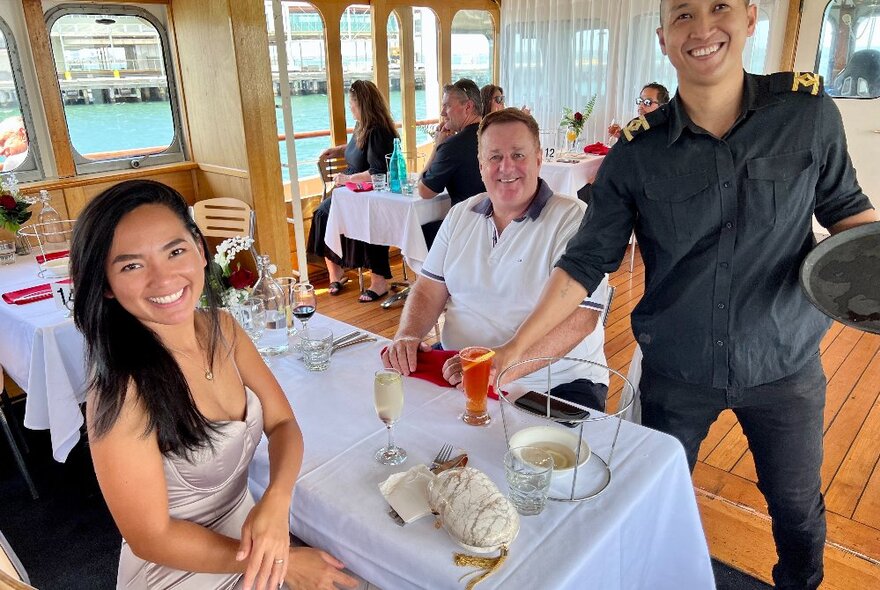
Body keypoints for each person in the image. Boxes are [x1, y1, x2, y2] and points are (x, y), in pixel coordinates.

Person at [493, 1, 877, 589]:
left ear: (750, 19)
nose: (702, 28)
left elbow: (848, 212)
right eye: (683, 16)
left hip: (783, 363)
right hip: (676, 368)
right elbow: (583, 264)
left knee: (798, 513)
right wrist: (516, 348)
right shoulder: (636, 152)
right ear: (664, 39)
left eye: (719, 7)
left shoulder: (807, 115)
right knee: (647, 502)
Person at [70, 180, 357, 590]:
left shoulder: (223, 328)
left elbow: (283, 426)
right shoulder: (120, 389)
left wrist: (277, 500)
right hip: (181, 570)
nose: (163, 278)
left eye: (175, 251)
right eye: (132, 265)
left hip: (251, 539)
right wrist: (284, 563)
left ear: (201, 252)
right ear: (107, 286)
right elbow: (151, 538)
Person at [384, 108, 610, 410]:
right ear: (480, 166)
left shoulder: (574, 218)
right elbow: (428, 288)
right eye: (494, 157)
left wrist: (500, 369)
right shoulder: (460, 215)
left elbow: (580, 320)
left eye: (518, 155)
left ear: (539, 159)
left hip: (555, 383)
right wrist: (408, 334)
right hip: (460, 370)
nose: (506, 167)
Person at [307, 80, 397, 302]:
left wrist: (347, 178)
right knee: (321, 215)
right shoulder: (362, 125)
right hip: (349, 189)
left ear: (362, 104)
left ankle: (379, 282)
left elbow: (377, 171)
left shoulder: (378, 131)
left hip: (369, 191)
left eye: (352, 103)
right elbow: (357, 150)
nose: (349, 107)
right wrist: (337, 150)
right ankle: (336, 273)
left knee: (368, 221)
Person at [418, 79, 486, 206]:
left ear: (468, 107)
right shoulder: (493, 135)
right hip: (499, 219)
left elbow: (424, 191)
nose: (442, 112)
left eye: (447, 106)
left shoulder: (454, 146)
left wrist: (437, 145)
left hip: (466, 221)